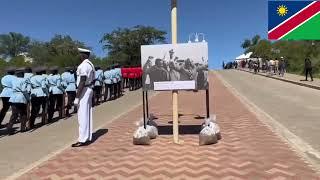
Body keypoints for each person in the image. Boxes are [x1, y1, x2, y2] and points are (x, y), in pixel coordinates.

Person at [72, 48, 95, 147]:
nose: (79, 56)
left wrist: (77, 97)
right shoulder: (90, 64)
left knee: (82, 115)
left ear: (84, 55)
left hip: (84, 90)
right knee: (87, 113)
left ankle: (82, 139)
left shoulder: (84, 65)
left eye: (80, 54)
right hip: (88, 88)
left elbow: (82, 81)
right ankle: (87, 136)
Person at [7, 68, 29, 135]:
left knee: (14, 114)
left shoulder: (13, 80)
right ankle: (23, 128)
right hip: (21, 97)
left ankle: (9, 128)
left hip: (13, 97)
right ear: (22, 74)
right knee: (23, 113)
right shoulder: (24, 80)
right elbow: (24, 90)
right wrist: (28, 98)